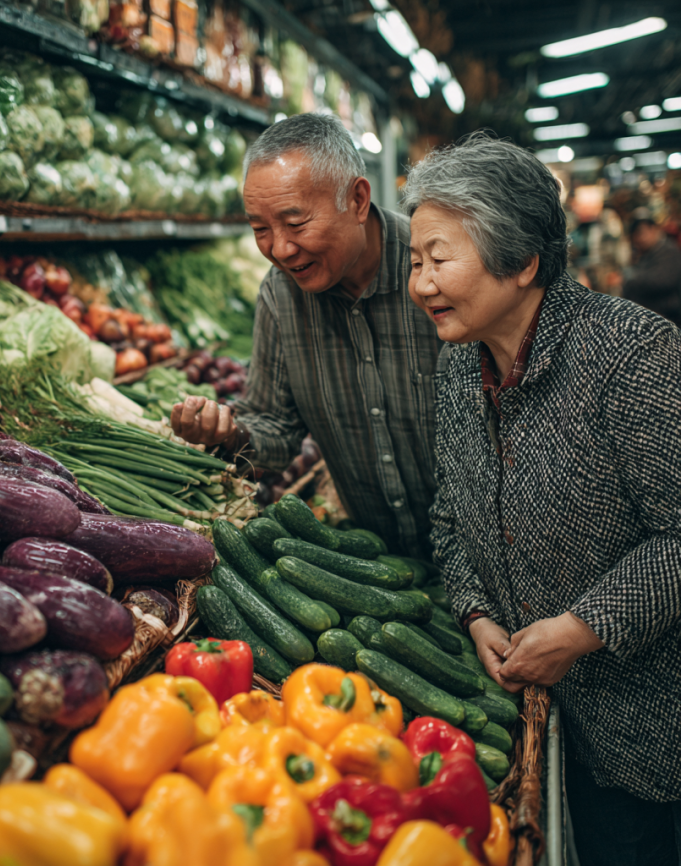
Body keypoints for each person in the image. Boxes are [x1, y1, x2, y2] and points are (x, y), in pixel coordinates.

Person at [403, 133, 681, 866]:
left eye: (438, 258)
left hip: (646, 732)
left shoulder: (630, 355)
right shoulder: (460, 364)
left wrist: (584, 627)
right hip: (534, 717)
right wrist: (475, 611)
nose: (420, 283)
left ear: (522, 261)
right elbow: (449, 518)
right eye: (414, 261)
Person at [169, 113, 440, 556]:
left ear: (356, 199)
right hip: (378, 555)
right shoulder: (280, 297)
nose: (279, 249)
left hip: (489, 554)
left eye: (296, 224)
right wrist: (228, 435)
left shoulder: (435, 269)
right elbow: (274, 427)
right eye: (260, 229)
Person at [622, 214, 681, 326]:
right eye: (635, 235)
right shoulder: (645, 254)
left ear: (653, 229)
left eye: (642, 233)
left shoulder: (668, 251)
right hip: (650, 317)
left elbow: (661, 281)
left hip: (667, 317)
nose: (639, 239)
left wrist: (628, 279)